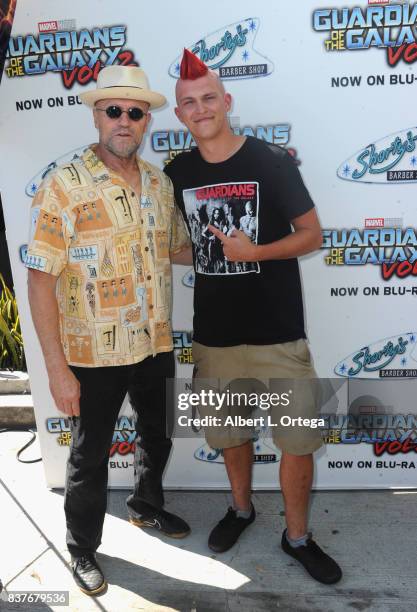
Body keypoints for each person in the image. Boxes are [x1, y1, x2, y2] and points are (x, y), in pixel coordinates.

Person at [164, 49, 342, 585]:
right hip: (215, 338)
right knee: (230, 436)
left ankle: (297, 538)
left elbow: (313, 235)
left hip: (279, 335)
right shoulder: (178, 172)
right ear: (179, 114)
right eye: (189, 103)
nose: (201, 109)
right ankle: (241, 510)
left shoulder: (269, 160)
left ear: (227, 101)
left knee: (298, 442)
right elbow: (186, 245)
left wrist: (256, 252)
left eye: (209, 98)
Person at [26, 65, 191, 596]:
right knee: (89, 454)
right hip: (92, 352)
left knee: (156, 433)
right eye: (114, 109)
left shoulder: (161, 185)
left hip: (155, 340)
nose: (125, 120)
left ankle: (146, 505)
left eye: (135, 112)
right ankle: (82, 548)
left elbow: (180, 250)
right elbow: (39, 280)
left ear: (146, 122)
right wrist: (55, 366)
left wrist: (245, 242)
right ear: (97, 114)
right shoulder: (64, 185)